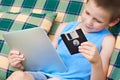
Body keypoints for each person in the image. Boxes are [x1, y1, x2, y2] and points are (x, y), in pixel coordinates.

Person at [7, 0, 120, 80]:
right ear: (85, 5)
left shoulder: (107, 39)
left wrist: (96, 62)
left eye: (98, 20)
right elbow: (47, 57)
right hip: (45, 74)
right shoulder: (65, 27)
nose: (88, 22)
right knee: (18, 76)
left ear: (113, 22)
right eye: (87, 13)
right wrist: (22, 62)